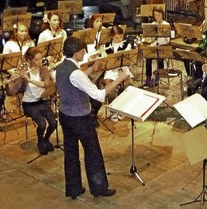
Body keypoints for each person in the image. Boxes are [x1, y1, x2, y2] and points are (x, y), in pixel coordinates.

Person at [55, 37, 128, 199]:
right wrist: (120, 79)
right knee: (92, 153)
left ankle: (73, 188)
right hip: (80, 118)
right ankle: (99, 188)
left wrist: (93, 68)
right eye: (82, 51)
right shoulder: (76, 73)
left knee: (71, 153)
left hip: (65, 115)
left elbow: (75, 80)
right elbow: (99, 95)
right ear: (76, 53)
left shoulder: (61, 67)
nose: (85, 53)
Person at [20, 47, 57, 155]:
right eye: (37, 59)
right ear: (29, 60)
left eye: (41, 59)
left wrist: (29, 79)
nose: (40, 61)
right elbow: (12, 91)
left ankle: (46, 139)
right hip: (29, 104)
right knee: (42, 124)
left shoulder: (44, 69)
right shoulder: (24, 71)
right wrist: (18, 79)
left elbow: (46, 84)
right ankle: (40, 141)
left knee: (53, 123)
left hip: (42, 101)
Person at [101, 25, 135, 122]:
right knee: (110, 89)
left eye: (121, 37)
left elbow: (129, 61)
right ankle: (113, 110)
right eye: (116, 38)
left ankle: (122, 108)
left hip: (123, 69)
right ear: (111, 37)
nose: (120, 39)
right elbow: (104, 61)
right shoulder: (106, 45)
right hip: (111, 71)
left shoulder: (127, 45)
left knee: (129, 85)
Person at [143, 6, 170, 87]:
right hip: (154, 47)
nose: (157, 17)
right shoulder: (153, 24)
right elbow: (150, 37)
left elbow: (167, 40)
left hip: (163, 47)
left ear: (162, 14)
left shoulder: (166, 25)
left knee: (159, 59)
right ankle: (148, 77)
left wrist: (156, 41)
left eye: (159, 15)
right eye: (155, 15)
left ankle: (158, 77)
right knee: (148, 57)